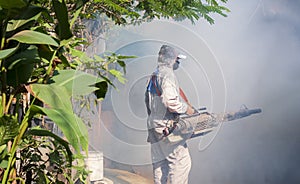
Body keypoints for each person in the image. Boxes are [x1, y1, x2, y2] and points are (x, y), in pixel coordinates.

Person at [145, 45, 195, 184]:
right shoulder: (167, 75)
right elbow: (170, 102)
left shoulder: (154, 75)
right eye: (177, 59)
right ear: (171, 60)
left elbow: (147, 102)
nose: (178, 62)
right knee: (180, 164)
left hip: (154, 125)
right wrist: (187, 109)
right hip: (166, 126)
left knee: (160, 164)